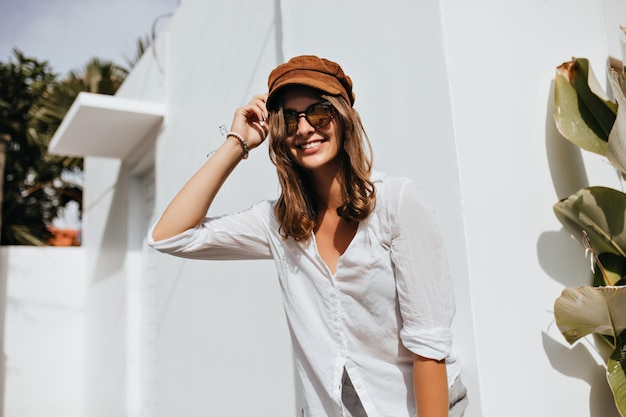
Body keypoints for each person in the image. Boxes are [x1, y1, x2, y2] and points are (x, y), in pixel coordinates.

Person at [149, 55, 468, 417]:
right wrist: (237, 142)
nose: (303, 128)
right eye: (289, 118)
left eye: (318, 112)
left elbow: (428, 344)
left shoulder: (396, 203)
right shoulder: (280, 224)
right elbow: (169, 236)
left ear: (343, 118)